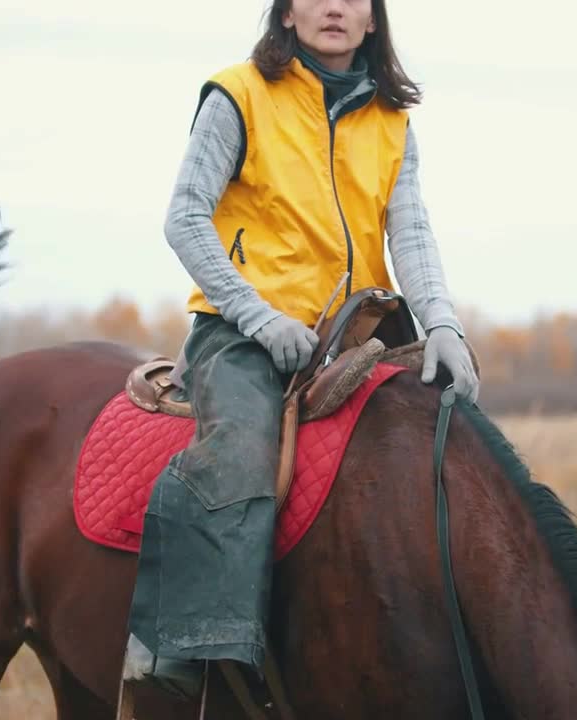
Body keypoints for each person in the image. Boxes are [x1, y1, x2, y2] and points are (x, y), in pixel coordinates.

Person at [122, 0, 479, 699]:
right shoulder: (238, 95)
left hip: (356, 333)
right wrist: (257, 316)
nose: (336, 7)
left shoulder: (392, 118)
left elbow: (409, 233)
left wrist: (443, 324)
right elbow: (185, 217)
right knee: (239, 455)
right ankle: (179, 660)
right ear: (287, 12)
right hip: (243, 335)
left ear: (374, 20)